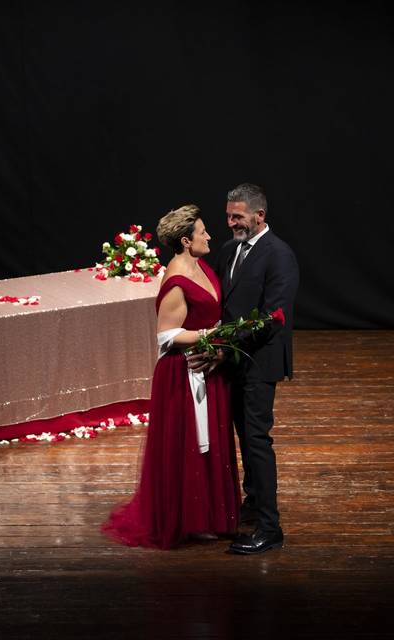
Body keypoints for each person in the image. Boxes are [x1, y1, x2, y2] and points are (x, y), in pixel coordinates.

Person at [102, 205, 240, 549]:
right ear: (185, 240)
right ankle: (188, 518)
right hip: (184, 371)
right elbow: (166, 334)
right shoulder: (177, 279)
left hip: (206, 366)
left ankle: (210, 513)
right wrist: (215, 333)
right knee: (189, 444)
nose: (209, 236)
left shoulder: (199, 265)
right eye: (202, 232)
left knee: (209, 440)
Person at [192, 183, 299, 555]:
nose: (231, 222)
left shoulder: (279, 255)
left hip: (260, 362)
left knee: (256, 439)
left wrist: (226, 348)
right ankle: (252, 504)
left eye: (237, 216)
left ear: (259, 216)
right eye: (227, 216)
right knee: (242, 437)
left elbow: (273, 318)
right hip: (233, 361)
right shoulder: (229, 249)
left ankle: (270, 528)